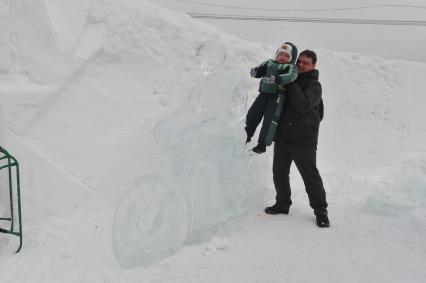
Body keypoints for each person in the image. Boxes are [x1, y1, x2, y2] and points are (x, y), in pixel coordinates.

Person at [264, 49, 330, 228]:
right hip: (284, 137)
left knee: (310, 176)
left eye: (305, 63)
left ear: (313, 65)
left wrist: (290, 82)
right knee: (279, 173)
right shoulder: (289, 78)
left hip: (303, 141)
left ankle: (320, 211)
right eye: (299, 61)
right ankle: (282, 204)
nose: (301, 65)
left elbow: (303, 105)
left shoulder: (314, 86)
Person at [245, 43, 298, 154]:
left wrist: (278, 79)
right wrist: (256, 72)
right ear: (277, 55)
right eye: (281, 54)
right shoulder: (269, 63)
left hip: (277, 96)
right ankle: (246, 135)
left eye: (286, 56)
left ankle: (262, 144)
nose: (283, 57)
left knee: (270, 120)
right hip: (263, 94)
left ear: (291, 58)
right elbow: (261, 70)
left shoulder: (290, 67)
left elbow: (291, 76)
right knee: (252, 114)